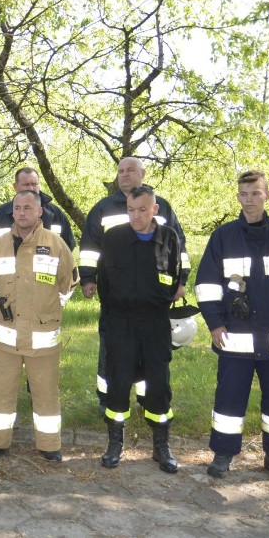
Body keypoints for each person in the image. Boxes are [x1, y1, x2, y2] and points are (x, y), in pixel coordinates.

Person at [195, 170, 269, 486]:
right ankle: (223, 454)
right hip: (234, 341)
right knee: (228, 402)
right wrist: (215, 324)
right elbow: (207, 284)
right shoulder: (223, 237)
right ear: (238, 197)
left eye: (255, 193)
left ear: (267, 195)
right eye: (244, 194)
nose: (249, 200)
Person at [80, 157, 189, 413]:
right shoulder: (103, 208)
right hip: (117, 297)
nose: (124, 174)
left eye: (130, 170)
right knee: (112, 349)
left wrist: (181, 281)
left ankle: (147, 400)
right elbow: (89, 248)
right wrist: (88, 278)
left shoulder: (162, 206)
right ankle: (108, 400)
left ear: (143, 173)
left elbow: (178, 248)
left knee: (153, 356)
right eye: (120, 171)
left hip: (154, 298)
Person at [0, 190, 77, 462]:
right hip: (6, 338)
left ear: (39, 212)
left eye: (28, 208)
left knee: (46, 394)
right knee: (0, 393)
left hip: (42, 337)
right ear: (12, 212)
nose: (22, 212)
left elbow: (67, 285)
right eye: (17, 208)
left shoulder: (56, 244)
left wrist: (45, 309)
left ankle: (50, 446)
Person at [96, 186, 181, 473]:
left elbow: (176, 276)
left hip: (156, 323)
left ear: (155, 209)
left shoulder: (169, 238)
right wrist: (110, 321)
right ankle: (115, 445)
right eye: (131, 210)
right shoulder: (114, 238)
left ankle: (161, 447)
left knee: (159, 385)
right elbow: (103, 284)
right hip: (121, 322)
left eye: (142, 210)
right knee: (118, 384)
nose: (136, 216)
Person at [0, 167, 76, 259]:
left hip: (46, 277)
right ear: (15, 186)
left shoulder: (55, 214)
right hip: (10, 278)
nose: (31, 188)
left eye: (34, 184)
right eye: (27, 184)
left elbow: (68, 246)